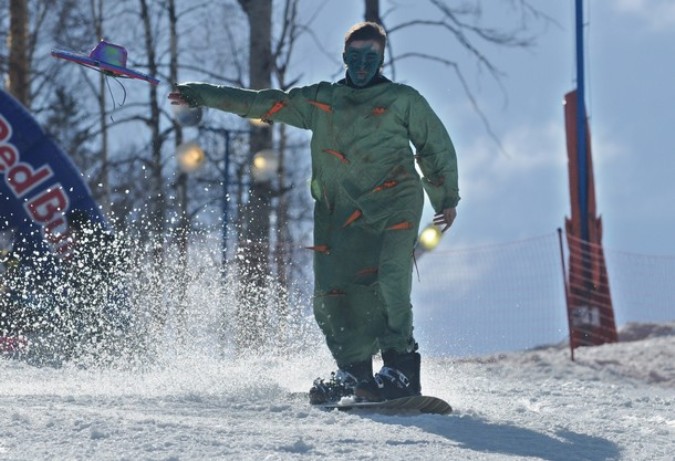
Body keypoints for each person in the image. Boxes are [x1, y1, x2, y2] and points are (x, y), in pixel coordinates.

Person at [169, 22, 459, 403]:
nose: (361, 65)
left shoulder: (402, 99)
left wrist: (446, 198)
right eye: (354, 57)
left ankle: (401, 369)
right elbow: (263, 102)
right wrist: (199, 95)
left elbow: (432, 144)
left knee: (390, 278)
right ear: (344, 58)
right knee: (333, 291)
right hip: (341, 209)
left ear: (381, 58)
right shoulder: (323, 101)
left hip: (395, 203)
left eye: (369, 57)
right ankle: (354, 371)